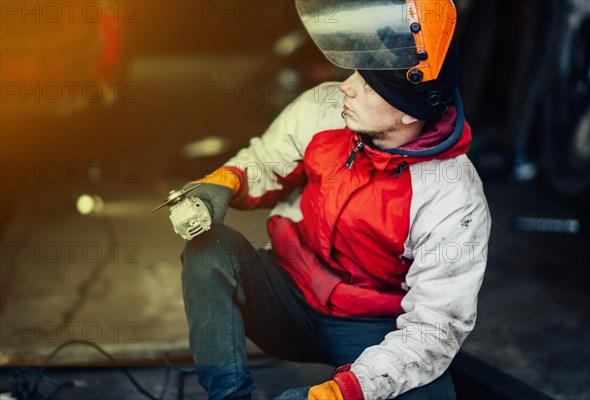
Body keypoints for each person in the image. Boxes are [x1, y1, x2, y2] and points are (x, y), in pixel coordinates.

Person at [180, 1, 491, 399]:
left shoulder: (454, 197)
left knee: (432, 396)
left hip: (370, 328)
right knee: (210, 251)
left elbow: (433, 332)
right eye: (357, 71)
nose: (347, 85)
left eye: (370, 83)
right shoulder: (325, 109)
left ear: (409, 112)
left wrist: (338, 393)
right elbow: (265, 162)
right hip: (288, 297)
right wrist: (226, 182)